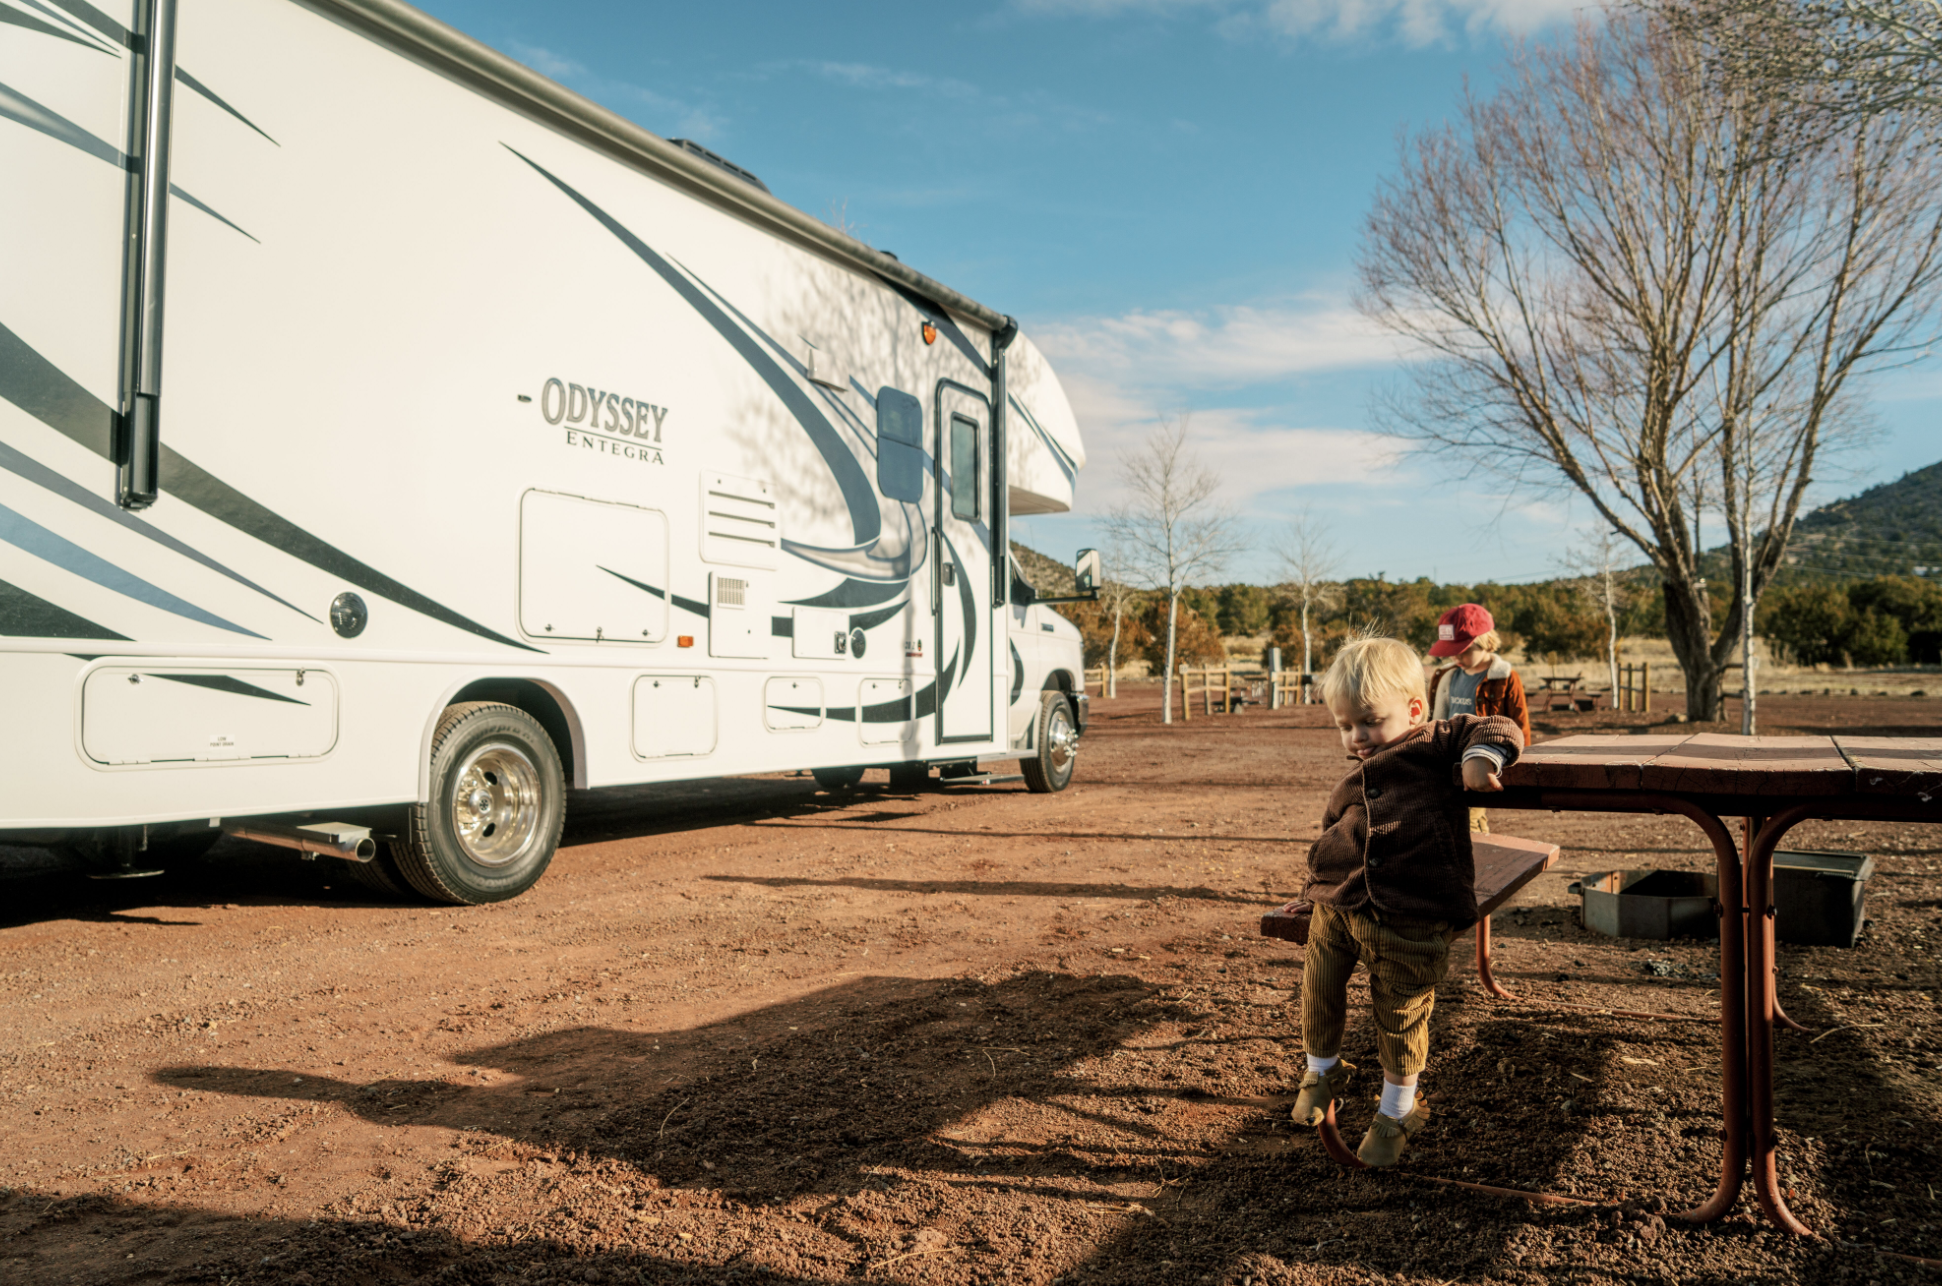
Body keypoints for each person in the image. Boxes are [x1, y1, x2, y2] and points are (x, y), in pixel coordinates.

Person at [1290, 636, 1525, 1166]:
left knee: (1399, 1012)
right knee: (1319, 987)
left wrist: (1480, 758)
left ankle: (1396, 1110)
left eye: (1369, 721)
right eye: (1346, 727)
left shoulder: (1437, 741)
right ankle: (1320, 1070)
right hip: (1340, 907)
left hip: (1409, 917)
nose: (1357, 738)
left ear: (1415, 709)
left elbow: (1499, 726)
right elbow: (1331, 841)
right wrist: (1311, 895)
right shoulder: (1357, 774)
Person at [1426, 604, 1531, 835]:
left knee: (1470, 823)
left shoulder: (1505, 678)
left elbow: (1520, 727)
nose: (1456, 656)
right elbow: (1434, 719)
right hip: (1446, 765)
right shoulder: (1445, 676)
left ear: (1483, 641)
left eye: (1463, 649)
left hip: (1480, 763)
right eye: (1451, 650)